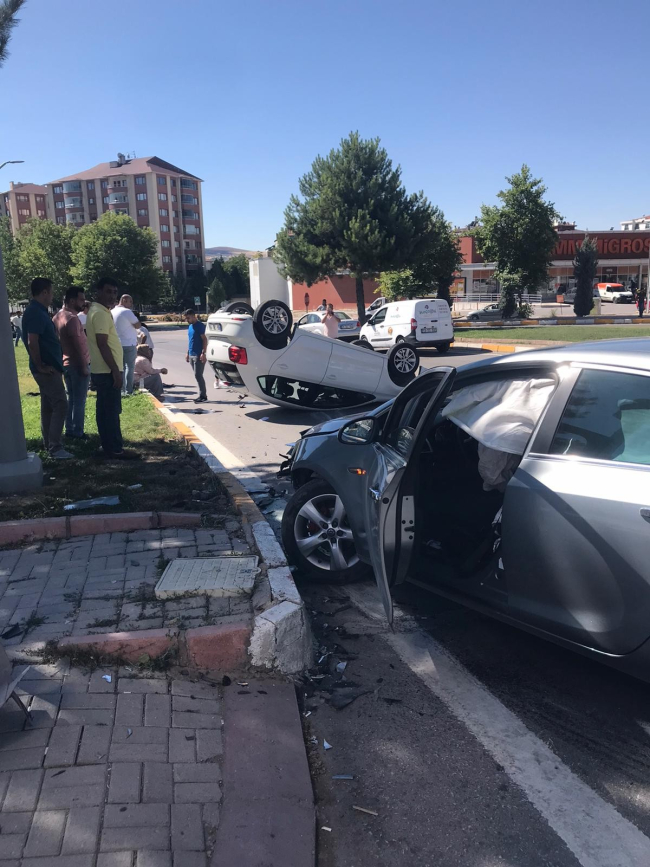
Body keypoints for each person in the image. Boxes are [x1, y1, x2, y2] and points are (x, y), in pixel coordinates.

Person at [21, 278, 72, 459]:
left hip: (51, 367)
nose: (52, 296)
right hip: (47, 369)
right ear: (44, 292)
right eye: (50, 292)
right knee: (61, 404)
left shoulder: (39, 311)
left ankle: (49, 444)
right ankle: (56, 448)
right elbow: (32, 341)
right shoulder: (35, 312)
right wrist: (41, 366)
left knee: (49, 407)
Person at [86, 278, 134, 459]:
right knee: (111, 412)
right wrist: (115, 370)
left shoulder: (99, 310)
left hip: (103, 370)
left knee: (105, 410)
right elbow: (102, 344)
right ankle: (115, 449)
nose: (112, 296)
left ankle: (108, 446)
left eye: (114, 292)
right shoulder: (99, 313)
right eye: (108, 291)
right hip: (107, 371)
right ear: (98, 292)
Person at [53, 286, 91, 440]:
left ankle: (69, 430)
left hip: (65, 362)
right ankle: (77, 432)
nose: (83, 303)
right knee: (79, 400)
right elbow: (78, 345)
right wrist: (84, 366)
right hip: (77, 364)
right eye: (81, 299)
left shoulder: (57, 316)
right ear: (72, 300)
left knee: (72, 399)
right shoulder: (73, 318)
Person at [111, 294, 140, 395]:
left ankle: (121, 390)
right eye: (130, 301)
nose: (131, 304)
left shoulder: (112, 311)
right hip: (128, 343)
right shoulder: (127, 312)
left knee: (120, 367)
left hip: (116, 343)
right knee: (130, 367)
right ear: (124, 300)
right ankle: (129, 390)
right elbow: (137, 325)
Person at [183, 308, 208, 403]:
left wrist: (203, 353)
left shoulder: (200, 326)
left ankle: (203, 396)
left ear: (194, 316)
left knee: (198, 375)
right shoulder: (190, 327)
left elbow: (204, 340)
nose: (187, 320)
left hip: (199, 354)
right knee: (196, 375)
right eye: (186, 318)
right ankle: (202, 395)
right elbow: (191, 341)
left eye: (188, 318)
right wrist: (187, 352)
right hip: (191, 354)